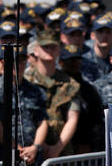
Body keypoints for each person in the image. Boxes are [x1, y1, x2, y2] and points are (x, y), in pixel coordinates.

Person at [26, 29, 80, 158]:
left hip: (61, 151)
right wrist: (40, 145)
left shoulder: (70, 83)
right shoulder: (25, 80)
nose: (49, 50)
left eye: (53, 47)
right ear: (36, 50)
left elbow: (73, 118)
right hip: (31, 149)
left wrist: (57, 147)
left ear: (59, 50)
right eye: (45, 47)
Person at [0, 45, 48, 165]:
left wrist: (35, 147)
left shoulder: (35, 90)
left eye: (21, 60)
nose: (18, 65)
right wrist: (16, 149)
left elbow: (42, 121)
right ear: (3, 62)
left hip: (33, 156)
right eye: (13, 60)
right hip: (7, 155)